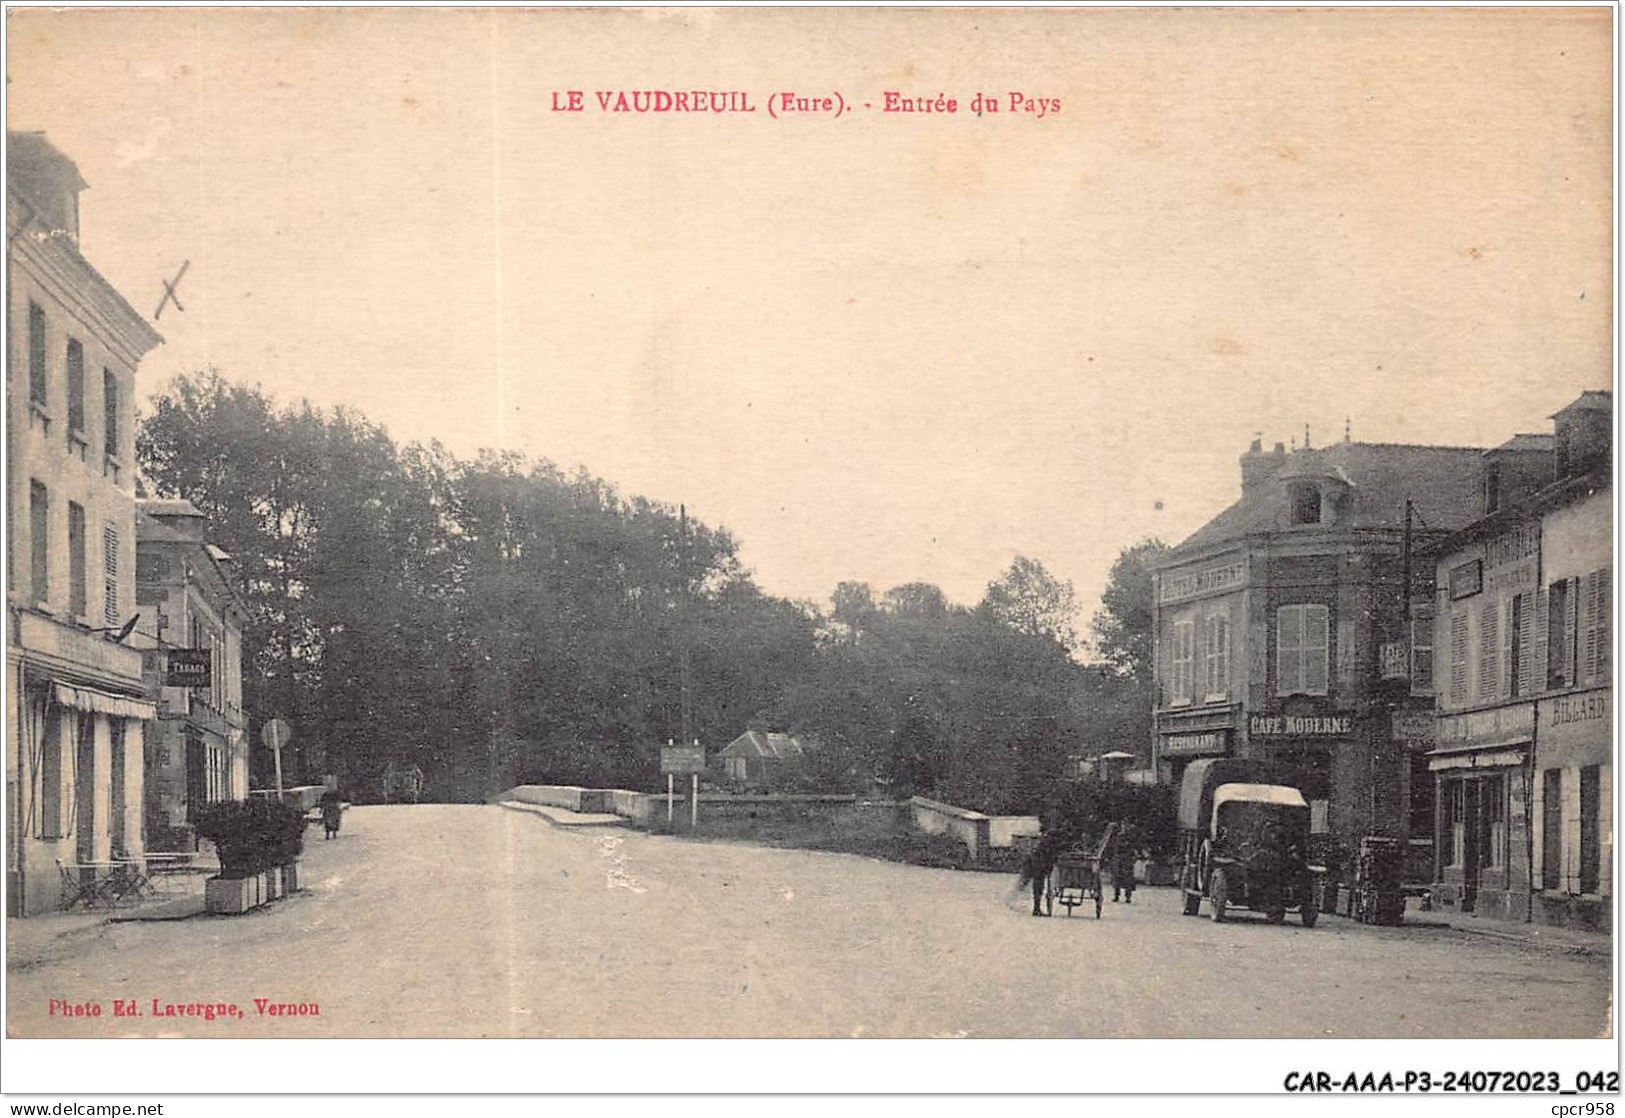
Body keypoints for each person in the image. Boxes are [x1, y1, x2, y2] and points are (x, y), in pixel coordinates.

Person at [1016, 828, 1071, 917]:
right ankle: (1036, 908)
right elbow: (1052, 854)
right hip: (1039, 865)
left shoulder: (1045, 842)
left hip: (1037, 864)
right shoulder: (1053, 842)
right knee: (1038, 886)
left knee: (1037, 886)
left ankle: (1036, 908)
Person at [1110, 824, 1138, 903]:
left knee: (1127, 880)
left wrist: (1132, 859)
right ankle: (1117, 896)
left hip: (1126, 861)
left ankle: (1127, 897)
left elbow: (1133, 851)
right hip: (1120, 861)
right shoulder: (1118, 838)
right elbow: (1115, 850)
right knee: (1118, 880)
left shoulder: (1131, 839)